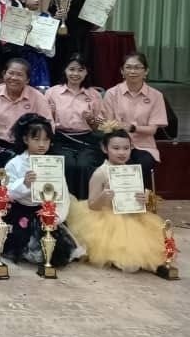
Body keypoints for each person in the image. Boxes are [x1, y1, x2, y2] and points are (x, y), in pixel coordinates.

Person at [65, 128, 167, 273]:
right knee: (126, 258)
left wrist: (145, 199)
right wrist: (104, 196)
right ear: (105, 148)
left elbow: (142, 201)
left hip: (131, 215)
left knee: (149, 248)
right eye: (116, 148)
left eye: (126, 148)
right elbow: (92, 205)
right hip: (105, 217)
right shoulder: (100, 173)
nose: (122, 152)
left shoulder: (132, 172)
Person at [2, 114, 76, 268]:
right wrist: (24, 183)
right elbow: (6, 192)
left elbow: (62, 193)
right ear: (25, 139)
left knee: (54, 250)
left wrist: (56, 217)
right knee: (23, 245)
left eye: (46, 140)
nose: (42, 144)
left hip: (44, 211)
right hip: (21, 212)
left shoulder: (53, 164)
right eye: (36, 139)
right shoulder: (15, 163)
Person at [46, 53, 106, 199]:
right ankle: (65, 204)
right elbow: (45, 122)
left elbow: (100, 128)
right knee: (69, 164)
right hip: (60, 139)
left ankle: (84, 204)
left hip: (87, 140)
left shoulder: (94, 95)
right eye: (72, 69)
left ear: (86, 72)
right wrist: (51, 117)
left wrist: (92, 120)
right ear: (65, 70)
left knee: (84, 165)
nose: (75, 74)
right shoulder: (52, 92)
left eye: (80, 70)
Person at [102, 53, 168, 182]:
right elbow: (107, 125)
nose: (132, 71)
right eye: (128, 67)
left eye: (137, 67)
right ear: (122, 71)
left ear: (146, 71)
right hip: (117, 145)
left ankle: (142, 195)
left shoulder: (156, 96)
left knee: (144, 163)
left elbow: (152, 130)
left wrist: (132, 128)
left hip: (143, 146)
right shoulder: (111, 93)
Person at [0, 57, 52, 169]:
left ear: (27, 79)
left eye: (19, 75)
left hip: (25, 149)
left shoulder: (38, 98)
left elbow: (48, 126)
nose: (14, 78)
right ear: (4, 74)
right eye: (11, 73)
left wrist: (37, 147)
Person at [48, 0, 96, 83]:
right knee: (61, 71)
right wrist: (57, 17)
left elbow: (94, 26)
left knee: (83, 69)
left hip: (84, 41)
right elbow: (51, 21)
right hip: (63, 40)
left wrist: (103, 16)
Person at [17, 0, 54, 88]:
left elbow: (51, 52)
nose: (37, 0)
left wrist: (41, 48)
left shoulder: (46, 18)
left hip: (39, 61)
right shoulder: (16, 16)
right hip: (19, 59)